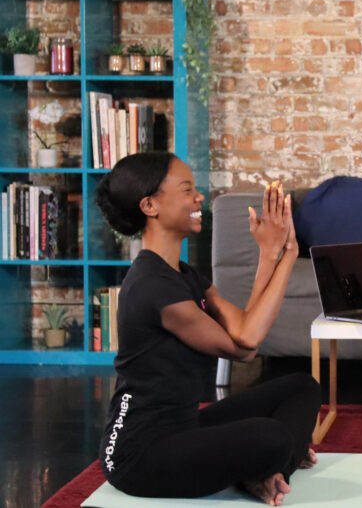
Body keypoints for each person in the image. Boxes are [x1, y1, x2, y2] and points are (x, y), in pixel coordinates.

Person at [95, 152, 321, 506]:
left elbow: (246, 325)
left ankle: (264, 473)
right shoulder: (153, 287)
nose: (199, 197)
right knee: (274, 438)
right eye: (187, 190)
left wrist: (272, 252)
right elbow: (246, 345)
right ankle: (268, 469)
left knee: (301, 387)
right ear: (150, 205)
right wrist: (287, 255)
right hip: (138, 455)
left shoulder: (183, 275)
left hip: (183, 427)